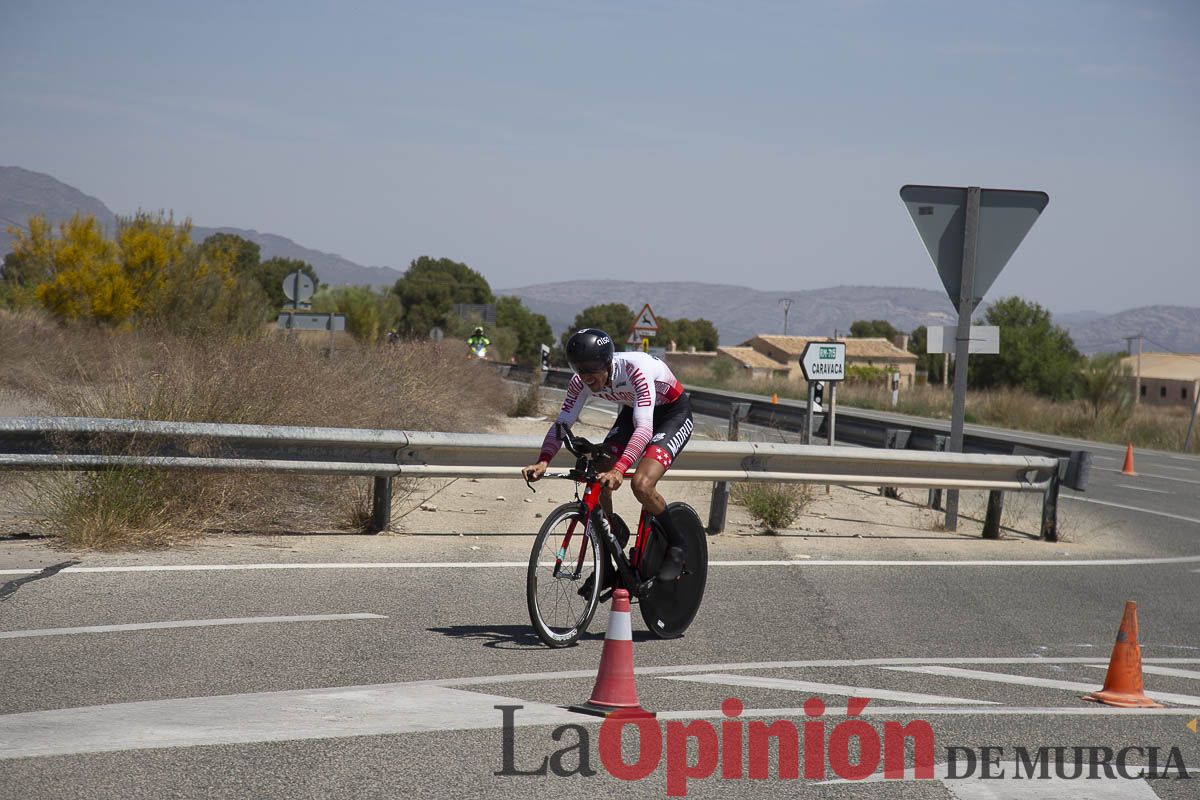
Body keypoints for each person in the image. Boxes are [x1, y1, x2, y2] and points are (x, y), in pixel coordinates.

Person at [522, 327, 694, 586]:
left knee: (641, 484)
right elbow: (562, 423)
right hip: (632, 412)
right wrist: (544, 460)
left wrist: (621, 468)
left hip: (671, 415)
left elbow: (645, 427)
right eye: (580, 370)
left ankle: (678, 544)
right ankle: (613, 533)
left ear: (607, 363)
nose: (586, 378)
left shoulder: (636, 369)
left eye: (592, 370)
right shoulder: (580, 381)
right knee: (599, 471)